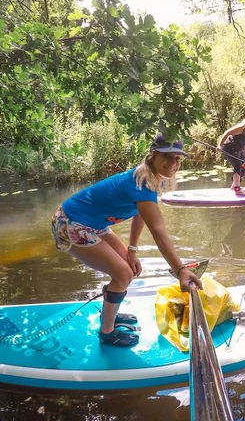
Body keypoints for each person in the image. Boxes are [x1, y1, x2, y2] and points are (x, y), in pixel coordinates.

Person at [51, 133, 203, 347]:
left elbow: (139, 213)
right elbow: (158, 232)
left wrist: (131, 250)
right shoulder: (141, 183)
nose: (173, 162)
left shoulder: (148, 179)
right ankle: (107, 332)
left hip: (94, 223)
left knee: (129, 269)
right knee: (122, 274)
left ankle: (109, 315)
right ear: (153, 156)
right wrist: (180, 270)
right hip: (72, 222)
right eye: (167, 156)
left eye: (177, 158)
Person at [217, 110, 245, 195]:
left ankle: (234, 185)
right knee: (238, 165)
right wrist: (220, 145)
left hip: (238, 149)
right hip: (229, 147)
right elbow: (227, 132)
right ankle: (237, 189)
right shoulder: (243, 127)